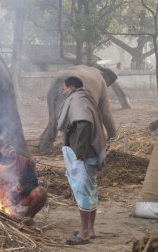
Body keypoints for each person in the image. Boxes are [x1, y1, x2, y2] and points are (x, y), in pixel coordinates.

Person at [57, 76, 107, 245]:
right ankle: (90, 230)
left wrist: (80, 150)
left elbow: (84, 123)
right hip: (87, 153)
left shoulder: (78, 100)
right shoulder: (85, 98)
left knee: (83, 192)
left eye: (63, 88)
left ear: (71, 87)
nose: (62, 91)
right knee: (90, 191)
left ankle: (84, 233)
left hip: (82, 154)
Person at [0, 137, 47, 222]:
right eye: (7, 147)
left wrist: (22, 189)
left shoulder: (23, 162)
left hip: (19, 203)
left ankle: (26, 220)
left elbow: (33, 182)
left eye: (12, 145)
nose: (12, 148)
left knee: (40, 192)